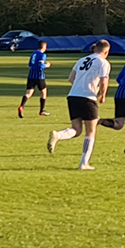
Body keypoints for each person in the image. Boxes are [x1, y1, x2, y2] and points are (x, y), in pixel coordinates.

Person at [49, 40, 110, 169]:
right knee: (91, 132)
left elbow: (71, 78)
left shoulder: (82, 60)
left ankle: (58, 135)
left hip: (73, 96)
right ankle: (84, 163)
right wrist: (102, 94)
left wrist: (79, 86)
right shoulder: (103, 62)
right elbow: (104, 81)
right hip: (88, 98)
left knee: (76, 130)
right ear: (106, 52)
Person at [17, 39, 51, 118]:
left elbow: (30, 64)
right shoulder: (43, 55)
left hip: (31, 76)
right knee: (44, 92)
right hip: (39, 76)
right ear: (44, 47)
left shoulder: (33, 54)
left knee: (29, 93)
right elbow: (41, 66)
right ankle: (42, 110)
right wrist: (47, 65)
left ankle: (22, 106)